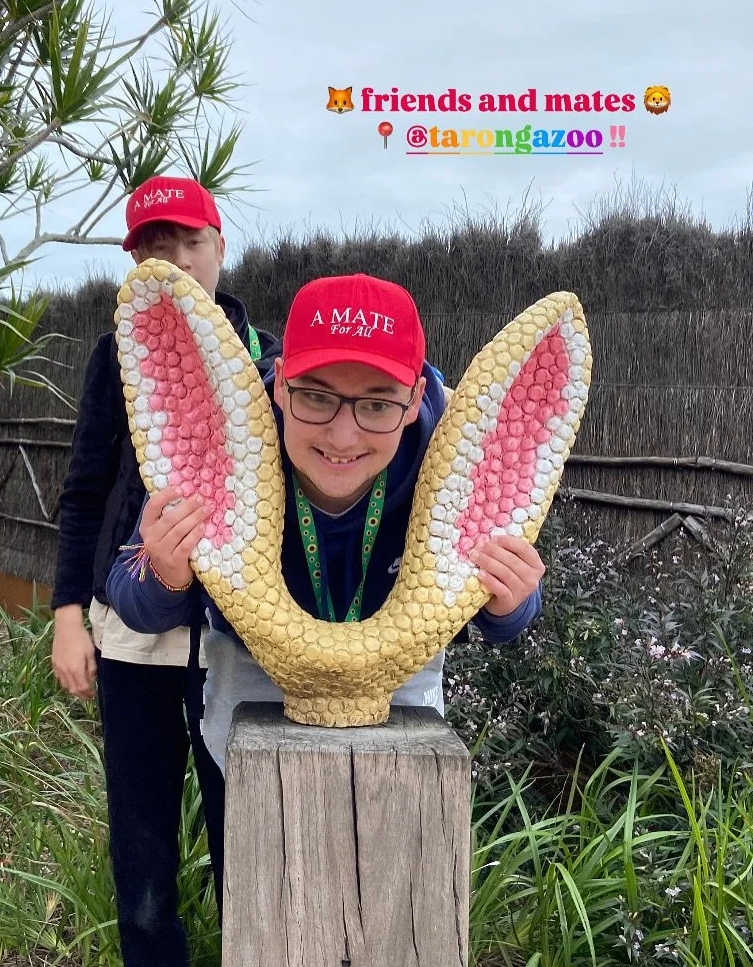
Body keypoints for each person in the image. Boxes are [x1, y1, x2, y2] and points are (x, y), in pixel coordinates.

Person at [105, 272, 545, 913]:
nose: (343, 437)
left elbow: (505, 606)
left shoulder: (449, 451)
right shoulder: (224, 432)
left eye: (377, 404)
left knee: (392, 896)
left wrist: (510, 602)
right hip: (253, 677)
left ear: (415, 397)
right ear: (280, 383)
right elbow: (132, 591)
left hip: (400, 690)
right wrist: (168, 575)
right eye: (315, 397)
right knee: (259, 890)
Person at [50, 175, 279, 966]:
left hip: (238, 644)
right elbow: (85, 489)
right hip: (131, 637)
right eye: (155, 245)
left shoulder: (269, 362)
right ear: (135, 261)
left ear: (221, 248)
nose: (176, 260)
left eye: (191, 241)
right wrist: (68, 615)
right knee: (142, 848)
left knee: (247, 840)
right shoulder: (116, 355)